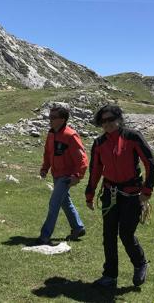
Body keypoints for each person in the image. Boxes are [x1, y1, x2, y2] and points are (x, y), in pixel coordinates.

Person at [84, 105, 154, 288]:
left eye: (110, 119)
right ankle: (110, 276)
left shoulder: (133, 137)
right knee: (108, 235)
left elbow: (150, 163)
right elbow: (95, 170)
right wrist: (90, 193)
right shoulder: (99, 143)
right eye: (103, 121)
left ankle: (140, 263)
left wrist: (147, 191)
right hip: (110, 194)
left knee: (126, 233)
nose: (107, 124)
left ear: (118, 118)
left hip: (132, 194)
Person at [37, 105, 88, 245]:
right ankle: (78, 228)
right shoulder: (51, 133)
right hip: (56, 174)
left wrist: (78, 175)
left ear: (63, 119)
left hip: (66, 176)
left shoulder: (70, 135)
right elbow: (48, 153)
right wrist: (44, 168)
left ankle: (44, 236)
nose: (50, 120)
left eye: (53, 117)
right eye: (49, 117)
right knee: (65, 202)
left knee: (54, 204)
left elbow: (82, 158)